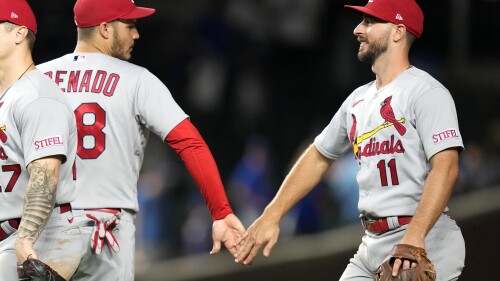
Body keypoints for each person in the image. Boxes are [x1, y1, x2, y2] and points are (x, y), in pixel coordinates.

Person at [234, 0, 466, 280]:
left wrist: (414, 238)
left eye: (370, 22)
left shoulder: (426, 92)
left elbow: (446, 166)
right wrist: (272, 214)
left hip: (425, 236)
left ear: (398, 31)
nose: (358, 29)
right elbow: (319, 155)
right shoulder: (357, 100)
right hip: (372, 241)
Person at [36, 0, 245, 280]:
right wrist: (220, 212)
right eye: (130, 25)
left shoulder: (36, 79)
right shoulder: (137, 80)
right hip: (108, 234)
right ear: (106, 29)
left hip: (45, 230)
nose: (136, 34)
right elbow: (190, 143)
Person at [0, 0, 81, 280]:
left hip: (39, 235)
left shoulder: (37, 96)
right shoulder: (9, 97)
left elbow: (45, 175)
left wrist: (26, 242)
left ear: (19, 34)